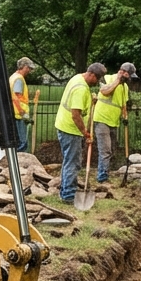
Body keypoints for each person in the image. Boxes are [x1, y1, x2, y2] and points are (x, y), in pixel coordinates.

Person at [54, 63, 106, 203]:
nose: (97, 83)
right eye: (97, 79)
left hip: (63, 125)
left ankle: (65, 191)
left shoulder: (77, 77)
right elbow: (75, 115)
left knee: (68, 160)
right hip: (71, 129)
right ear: (92, 75)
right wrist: (85, 132)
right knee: (73, 162)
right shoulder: (81, 89)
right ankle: (69, 196)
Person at [92, 62, 135, 183]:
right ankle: (102, 176)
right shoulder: (108, 78)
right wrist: (117, 80)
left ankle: (105, 171)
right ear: (122, 72)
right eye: (128, 75)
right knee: (105, 150)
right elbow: (105, 91)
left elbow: (123, 104)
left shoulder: (125, 87)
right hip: (102, 119)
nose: (129, 78)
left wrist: (125, 116)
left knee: (111, 149)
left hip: (113, 121)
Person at [9, 57, 35, 153]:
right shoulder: (19, 79)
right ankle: (19, 163)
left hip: (15, 113)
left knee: (18, 141)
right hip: (19, 114)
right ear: (24, 67)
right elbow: (16, 96)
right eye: (29, 68)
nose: (29, 70)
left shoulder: (13, 77)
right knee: (23, 143)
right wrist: (22, 112)